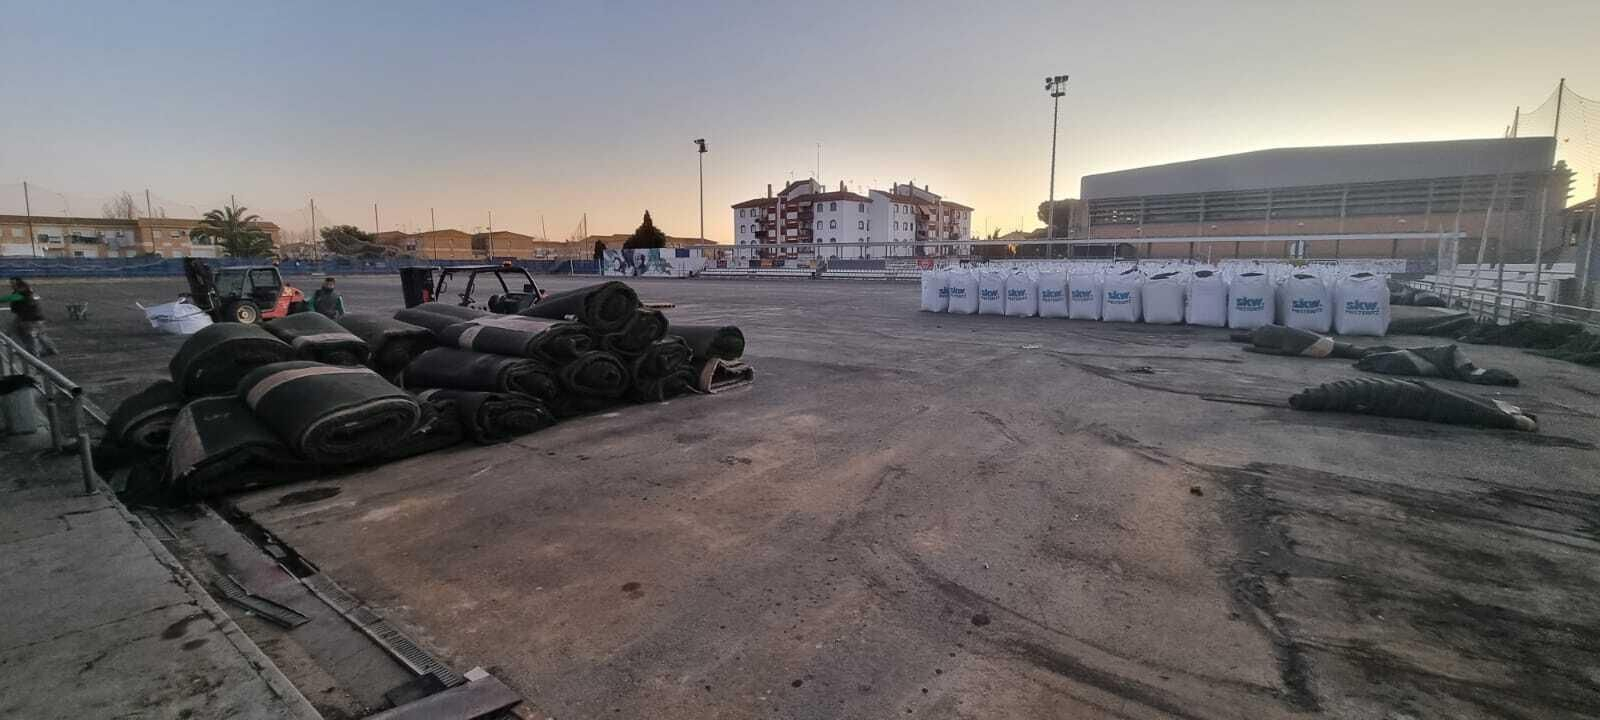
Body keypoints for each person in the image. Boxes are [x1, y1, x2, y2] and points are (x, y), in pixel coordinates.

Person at [2, 277, 59, 357]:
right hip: (34, 316)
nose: (11, 285)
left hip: (28, 317)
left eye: (12, 283)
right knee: (40, 334)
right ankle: (51, 349)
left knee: (28, 335)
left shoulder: (21, 293)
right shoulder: (28, 291)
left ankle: (33, 353)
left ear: (17, 284)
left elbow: (7, 299)